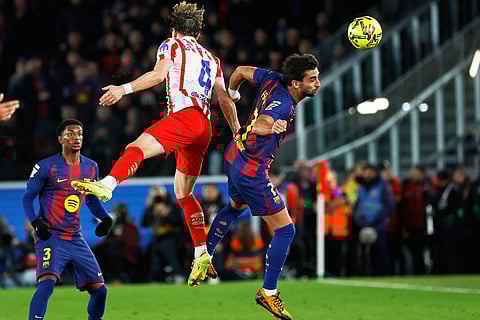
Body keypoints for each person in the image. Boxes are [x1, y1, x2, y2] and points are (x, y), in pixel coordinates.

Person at [70, 1, 240, 287]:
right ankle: (201, 252)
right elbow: (223, 98)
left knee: (136, 148)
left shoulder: (171, 46)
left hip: (184, 117)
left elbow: (158, 75)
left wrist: (123, 89)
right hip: (204, 127)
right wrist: (237, 132)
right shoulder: (213, 59)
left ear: (174, 29)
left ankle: (109, 183)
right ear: (197, 32)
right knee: (183, 193)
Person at [206, 53, 320, 320]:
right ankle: (269, 293)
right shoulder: (282, 104)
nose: (317, 83)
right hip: (251, 169)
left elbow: (241, 70)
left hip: (234, 154)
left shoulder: (271, 78)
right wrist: (269, 128)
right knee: (286, 229)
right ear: (294, 83)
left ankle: (203, 256)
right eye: (312, 79)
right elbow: (261, 124)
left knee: (234, 207)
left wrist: (233, 92)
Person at [22, 119, 113, 320]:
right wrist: (36, 224)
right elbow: (28, 197)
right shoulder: (47, 166)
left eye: (79, 134)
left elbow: (90, 198)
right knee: (47, 284)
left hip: (75, 237)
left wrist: (105, 218)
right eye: (70, 134)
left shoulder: (91, 167)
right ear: (60, 139)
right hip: (51, 236)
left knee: (101, 291)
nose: (76, 138)